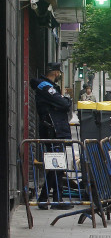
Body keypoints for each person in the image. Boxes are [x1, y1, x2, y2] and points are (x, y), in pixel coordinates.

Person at [29, 62, 73, 209]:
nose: (59, 75)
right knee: (57, 164)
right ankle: (52, 199)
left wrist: (61, 103)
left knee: (58, 165)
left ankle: (52, 199)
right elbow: (64, 104)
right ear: (55, 72)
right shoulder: (45, 87)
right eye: (59, 72)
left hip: (55, 128)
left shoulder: (49, 87)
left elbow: (61, 104)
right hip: (52, 129)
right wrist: (65, 101)